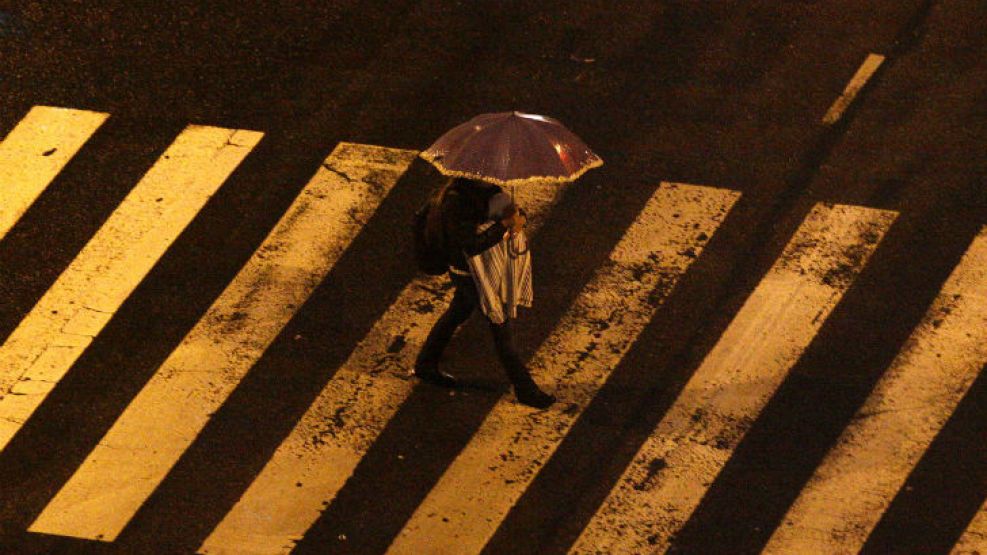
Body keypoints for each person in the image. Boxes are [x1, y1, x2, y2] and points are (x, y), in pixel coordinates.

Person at [414, 177, 556, 409]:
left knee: (457, 312)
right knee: (501, 329)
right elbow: (471, 245)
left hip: (481, 270)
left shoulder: (486, 191)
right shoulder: (456, 202)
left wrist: (517, 217)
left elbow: (502, 216)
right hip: (469, 274)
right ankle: (526, 389)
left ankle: (425, 364)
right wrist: (503, 226)